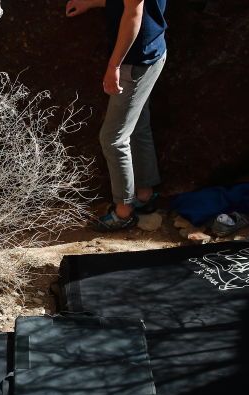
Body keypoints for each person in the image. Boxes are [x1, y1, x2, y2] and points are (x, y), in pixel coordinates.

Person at [66, 0, 168, 230]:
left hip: (135, 61)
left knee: (113, 139)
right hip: (152, 50)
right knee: (139, 125)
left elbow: (133, 13)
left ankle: (123, 212)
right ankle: (145, 194)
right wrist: (93, 2)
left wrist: (114, 66)